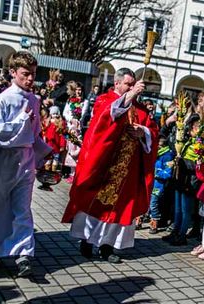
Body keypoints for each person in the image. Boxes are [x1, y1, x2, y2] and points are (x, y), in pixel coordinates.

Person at [61, 68, 159, 264]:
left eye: (133, 85)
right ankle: (87, 240)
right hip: (104, 166)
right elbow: (108, 116)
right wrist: (130, 95)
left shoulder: (139, 109)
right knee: (95, 203)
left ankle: (107, 246)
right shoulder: (104, 100)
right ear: (117, 83)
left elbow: (153, 132)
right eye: (128, 84)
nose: (131, 88)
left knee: (120, 208)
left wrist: (143, 133)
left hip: (127, 170)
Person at [0, 51, 52, 277]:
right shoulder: (3, 99)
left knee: (22, 208)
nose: (30, 79)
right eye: (25, 74)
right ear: (12, 73)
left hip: (26, 160)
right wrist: (21, 121)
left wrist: (44, 151)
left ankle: (24, 254)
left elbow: (34, 132)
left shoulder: (34, 99)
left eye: (33, 74)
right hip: (2, 160)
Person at [162, 114, 200, 246]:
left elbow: (199, 164)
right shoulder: (188, 140)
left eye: (194, 127)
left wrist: (183, 161)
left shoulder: (201, 144)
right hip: (181, 177)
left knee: (186, 209)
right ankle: (175, 231)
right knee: (177, 208)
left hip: (190, 179)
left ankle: (182, 234)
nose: (191, 130)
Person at [147, 134, 174, 234]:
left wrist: (156, 172)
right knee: (148, 202)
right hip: (150, 183)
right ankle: (140, 219)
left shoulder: (167, 156)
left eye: (157, 144)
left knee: (153, 203)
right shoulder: (155, 153)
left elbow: (168, 173)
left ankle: (155, 222)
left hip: (159, 184)